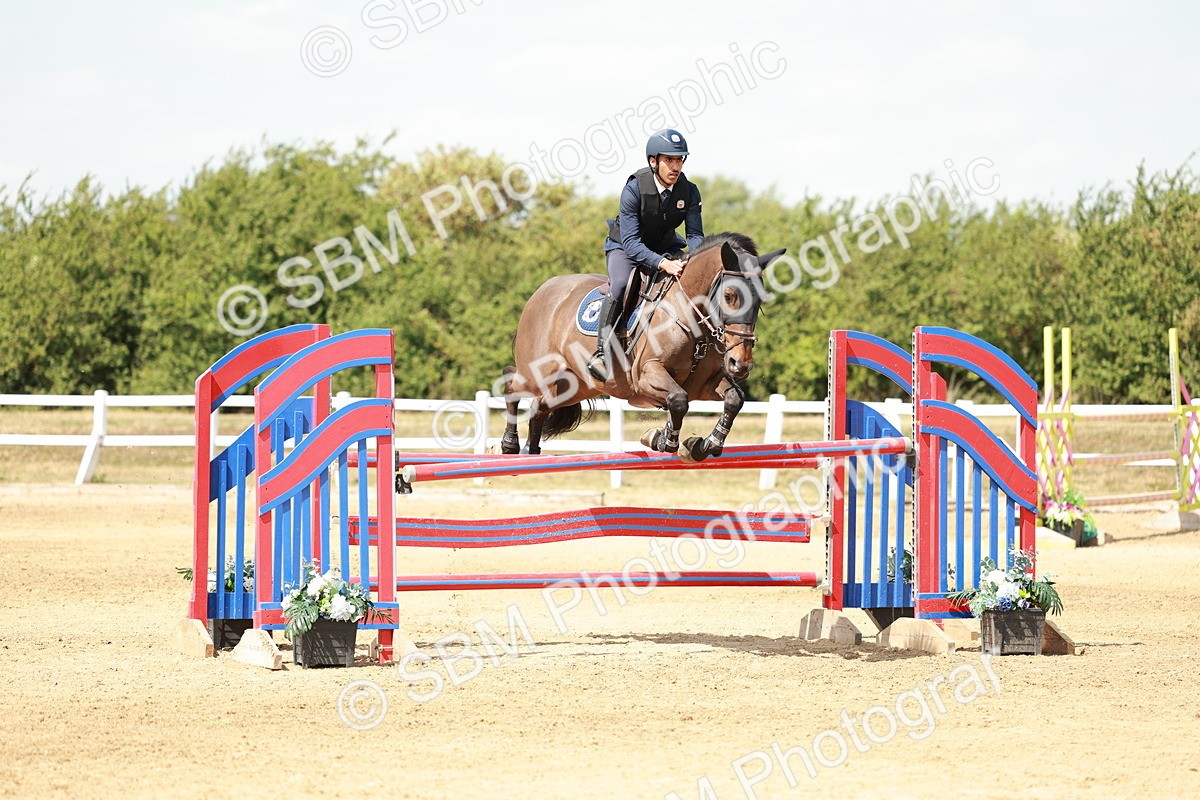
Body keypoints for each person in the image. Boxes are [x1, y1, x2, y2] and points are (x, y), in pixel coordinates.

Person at [586, 128, 704, 381]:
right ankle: (601, 353)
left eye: (680, 160)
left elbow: (695, 235)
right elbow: (631, 242)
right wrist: (662, 263)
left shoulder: (690, 191)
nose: (675, 166)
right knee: (619, 284)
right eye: (669, 160)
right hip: (626, 248)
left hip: (666, 247)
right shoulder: (634, 189)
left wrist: (692, 259)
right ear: (653, 161)